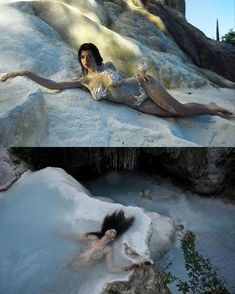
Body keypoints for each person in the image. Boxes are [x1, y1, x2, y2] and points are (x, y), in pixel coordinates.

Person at [1, 43, 232, 117]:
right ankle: (209, 107)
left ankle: (210, 109)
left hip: (144, 85)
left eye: (89, 56)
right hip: (137, 104)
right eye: (82, 57)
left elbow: (125, 76)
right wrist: (24, 73)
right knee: (174, 115)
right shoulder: (84, 82)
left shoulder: (108, 65)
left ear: (95, 56)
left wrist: (140, 73)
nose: (86, 60)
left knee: (178, 110)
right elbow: (54, 85)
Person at [59, 210, 139, 273]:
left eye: (114, 233)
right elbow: (75, 238)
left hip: (81, 271)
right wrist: (60, 234)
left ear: (112, 238)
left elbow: (111, 269)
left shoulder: (107, 250)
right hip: (70, 262)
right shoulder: (92, 238)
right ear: (105, 232)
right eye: (110, 229)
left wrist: (128, 268)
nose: (111, 231)